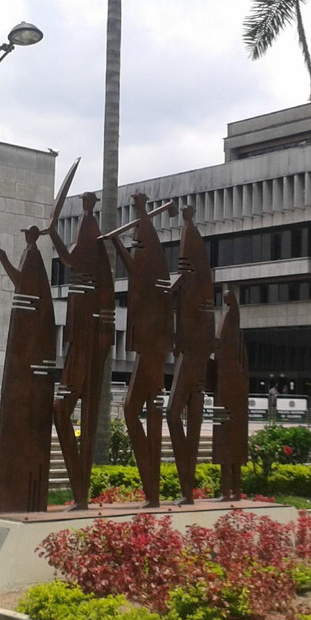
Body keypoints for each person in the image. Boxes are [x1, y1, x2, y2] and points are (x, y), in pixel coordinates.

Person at [46, 191, 115, 510]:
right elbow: (70, 258)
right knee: (65, 410)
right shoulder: (90, 238)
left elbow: (71, 258)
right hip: (81, 337)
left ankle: (81, 491)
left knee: (70, 410)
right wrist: (54, 236)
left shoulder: (92, 234)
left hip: (88, 339)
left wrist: (55, 235)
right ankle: (80, 491)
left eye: (87, 203)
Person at [108, 192, 173, 507]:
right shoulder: (146, 279)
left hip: (151, 350)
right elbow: (130, 261)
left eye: (138, 246)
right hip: (149, 349)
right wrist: (122, 240)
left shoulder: (153, 281)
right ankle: (152, 486)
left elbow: (133, 261)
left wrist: (139, 211)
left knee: (143, 410)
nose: (135, 249)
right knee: (138, 411)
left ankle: (153, 488)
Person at [0, 226, 56, 514]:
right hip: (26, 348)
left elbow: (24, 285)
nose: (27, 238)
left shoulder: (33, 258)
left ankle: (25, 495)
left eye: (28, 235)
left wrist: (4, 261)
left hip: (29, 354)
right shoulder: (32, 256)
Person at [166, 206, 215, 504]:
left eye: (185, 262)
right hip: (191, 352)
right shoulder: (192, 292)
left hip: (193, 356)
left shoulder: (196, 291)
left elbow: (172, 293)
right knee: (186, 416)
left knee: (175, 414)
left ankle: (187, 481)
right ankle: (188, 488)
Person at [212, 289, 249, 501]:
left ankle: (232, 491)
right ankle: (228, 490)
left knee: (230, 445)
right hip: (224, 393)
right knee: (226, 446)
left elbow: (223, 345)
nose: (225, 299)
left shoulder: (230, 321)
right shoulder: (227, 319)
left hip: (229, 395)